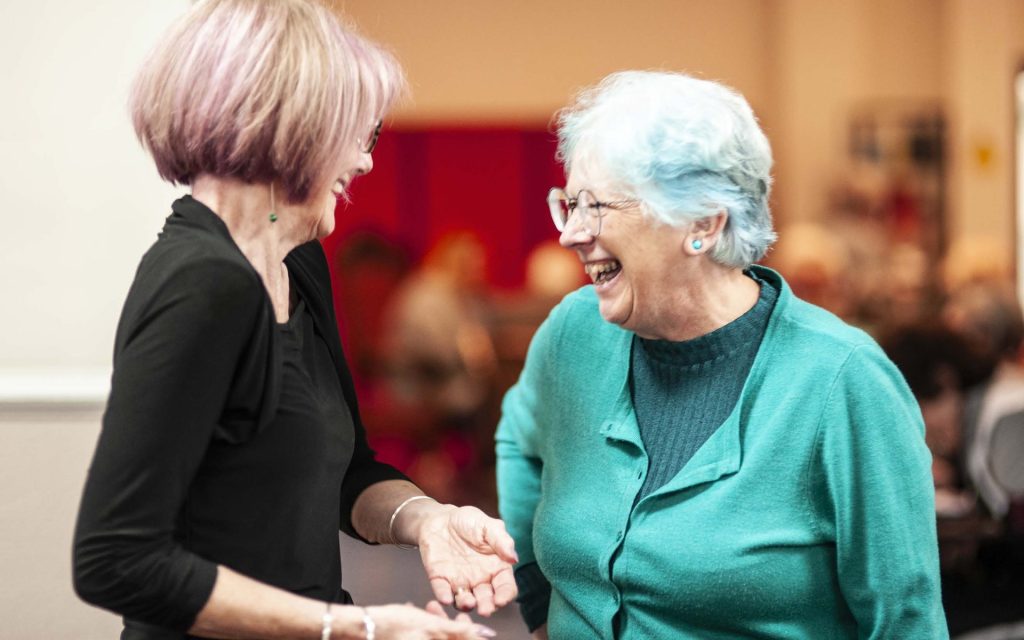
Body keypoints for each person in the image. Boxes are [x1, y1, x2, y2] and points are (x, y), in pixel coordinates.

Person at [73, 2, 516, 638]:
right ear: (289, 126)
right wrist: (352, 626)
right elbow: (116, 560)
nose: (364, 162)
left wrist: (430, 519)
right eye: (355, 134)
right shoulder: (203, 282)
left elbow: (348, 474)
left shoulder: (297, 260)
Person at [495, 71, 947, 639]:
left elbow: (905, 622)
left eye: (597, 205)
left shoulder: (842, 381)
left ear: (703, 225)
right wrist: (539, 606)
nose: (572, 234)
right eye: (570, 204)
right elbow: (518, 439)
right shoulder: (574, 334)